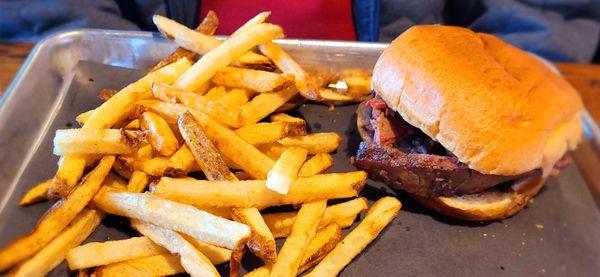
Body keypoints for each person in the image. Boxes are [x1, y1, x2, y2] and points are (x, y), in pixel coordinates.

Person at [1, 0, 598, 62]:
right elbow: (52, 13)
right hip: (158, 82)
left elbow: (545, 15)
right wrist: (114, 61)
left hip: (403, 81)